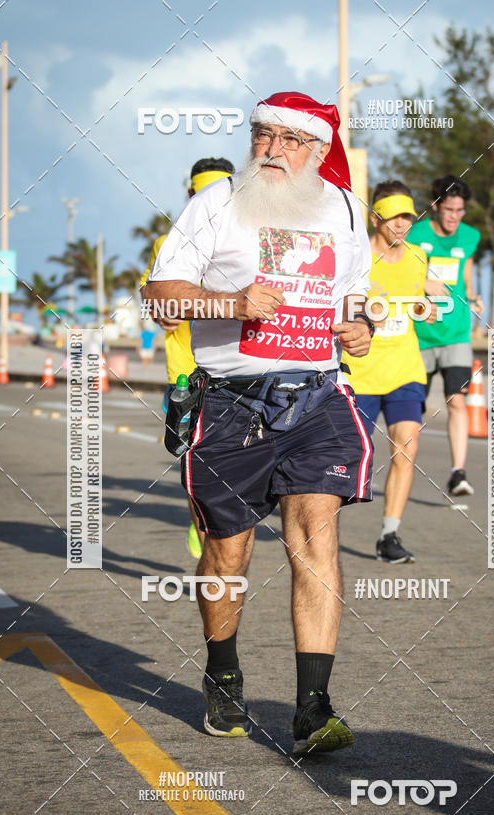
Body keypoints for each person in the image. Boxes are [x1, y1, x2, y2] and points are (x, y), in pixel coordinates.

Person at [143, 91, 373, 755]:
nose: (271, 150)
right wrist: (231, 303)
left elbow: (355, 297)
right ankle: (222, 672)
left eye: (289, 140)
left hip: (317, 399)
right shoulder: (216, 204)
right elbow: (159, 296)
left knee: (316, 539)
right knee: (228, 552)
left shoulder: (344, 209)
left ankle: (313, 709)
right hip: (230, 405)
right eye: (262, 136)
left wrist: (361, 327)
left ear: (318, 151)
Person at [140, 158, 235, 557]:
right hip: (187, 374)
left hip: (240, 370)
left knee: (238, 464)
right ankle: (203, 525)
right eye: (203, 194)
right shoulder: (170, 244)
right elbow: (153, 300)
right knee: (197, 461)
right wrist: (161, 309)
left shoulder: (250, 241)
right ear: (191, 196)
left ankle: (223, 526)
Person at [343, 180, 436, 563]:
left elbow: (417, 299)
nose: (401, 224)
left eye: (407, 217)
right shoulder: (357, 255)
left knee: (406, 447)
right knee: (350, 456)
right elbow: (340, 306)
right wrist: (363, 316)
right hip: (360, 372)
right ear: (375, 218)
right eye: (394, 217)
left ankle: (389, 535)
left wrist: (426, 308)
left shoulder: (418, 256)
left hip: (405, 369)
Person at [407, 175, 484, 497]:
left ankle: (458, 472)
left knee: (457, 401)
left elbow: (466, 273)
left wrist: (473, 295)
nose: (455, 217)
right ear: (436, 206)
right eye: (449, 210)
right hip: (420, 334)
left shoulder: (470, 236)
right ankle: (403, 468)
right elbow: (398, 271)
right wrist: (422, 283)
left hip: (456, 334)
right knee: (415, 410)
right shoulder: (415, 234)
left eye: (460, 211)